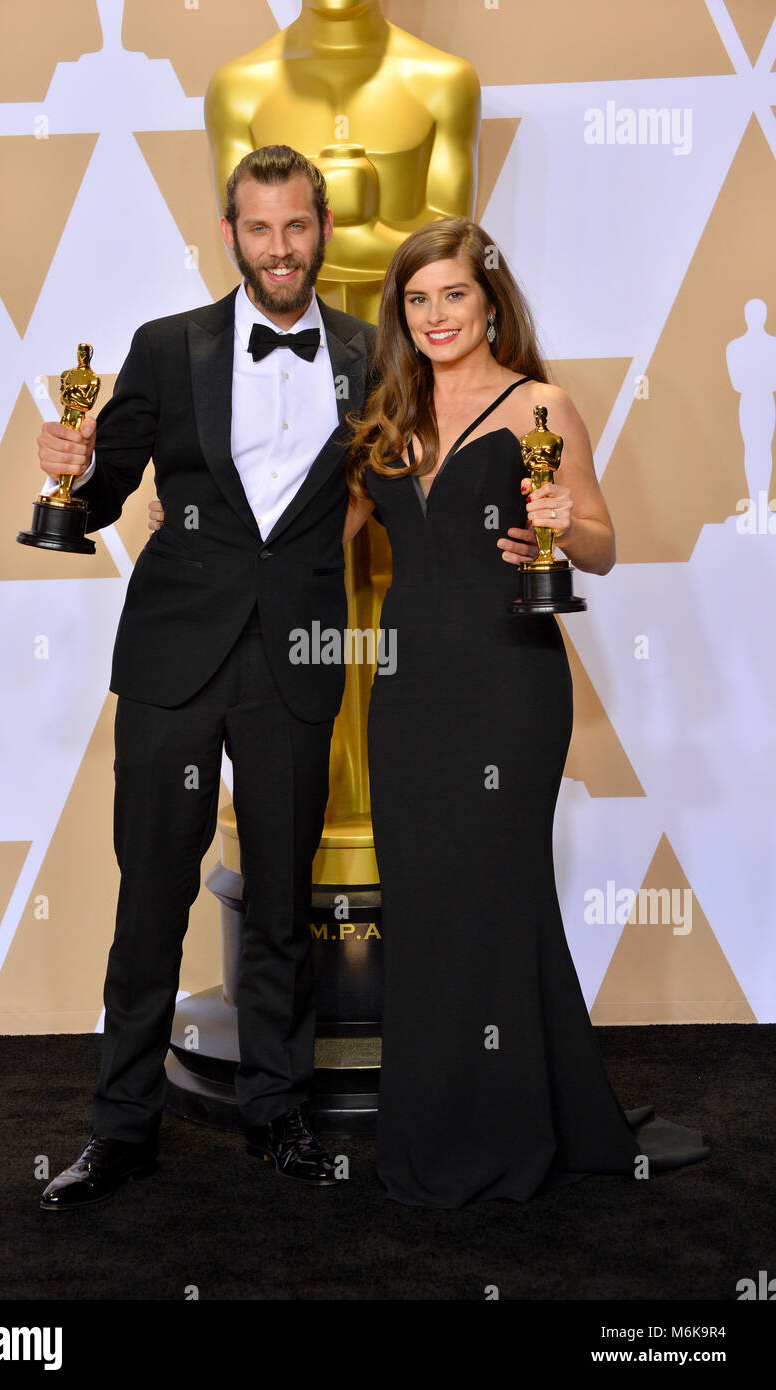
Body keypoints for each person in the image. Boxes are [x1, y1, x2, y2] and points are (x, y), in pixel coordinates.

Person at [340, 217, 710, 1205]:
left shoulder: (539, 404)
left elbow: (600, 544)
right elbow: (309, 536)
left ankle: (502, 1134)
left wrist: (561, 521)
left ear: (489, 299)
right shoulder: (384, 418)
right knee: (423, 904)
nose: (434, 316)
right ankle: (439, 1126)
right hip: (409, 691)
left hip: (509, 684)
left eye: (451, 295)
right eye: (415, 300)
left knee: (495, 894)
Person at [35, 146, 377, 1209]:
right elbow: (106, 487)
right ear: (229, 235)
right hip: (176, 653)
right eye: (258, 228)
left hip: (295, 659)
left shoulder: (369, 351)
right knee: (151, 900)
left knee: (280, 905)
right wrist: (73, 472)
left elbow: (396, 481)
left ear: (320, 229)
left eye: (296, 226)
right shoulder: (168, 345)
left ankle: (278, 1119)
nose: (279, 248)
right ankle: (122, 1129)